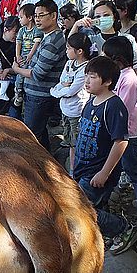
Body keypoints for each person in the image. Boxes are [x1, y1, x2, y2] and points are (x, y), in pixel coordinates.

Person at [74, 55, 137, 254]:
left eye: (92, 77)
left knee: (79, 208)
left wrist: (104, 172)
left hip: (98, 170)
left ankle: (123, 229)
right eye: (86, 76)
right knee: (94, 205)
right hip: (83, 168)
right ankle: (105, 236)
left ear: (108, 81)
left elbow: (121, 141)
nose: (87, 81)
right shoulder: (91, 103)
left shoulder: (113, 106)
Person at [102, 36, 137, 226]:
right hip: (115, 133)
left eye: (106, 55)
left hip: (126, 134)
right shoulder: (118, 76)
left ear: (116, 58)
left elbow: (120, 107)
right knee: (115, 169)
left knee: (134, 171)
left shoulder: (129, 79)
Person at [11, 0, 66, 151]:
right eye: (35, 16)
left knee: (31, 135)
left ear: (54, 16)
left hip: (39, 95)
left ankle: (37, 169)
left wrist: (17, 69)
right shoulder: (48, 37)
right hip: (37, 94)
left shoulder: (53, 41)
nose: (37, 19)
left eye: (41, 15)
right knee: (39, 133)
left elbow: (37, 74)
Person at [69, 1, 137, 109]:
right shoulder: (91, 40)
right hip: (97, 95)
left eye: (106, 15)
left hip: (124, 90)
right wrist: (76, 25)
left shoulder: (127, 39)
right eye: (97, 16)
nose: (102, 18)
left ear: (114, 16)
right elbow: (71, 48)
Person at [50, 33, 93, 176]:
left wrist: (56, 91)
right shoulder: (69, 63)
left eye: (69, 48)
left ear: (79, 51)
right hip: (65, 109)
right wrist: (62, 86)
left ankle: (76, 171)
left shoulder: (85, 69)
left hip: (76, 110)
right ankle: (72, 168)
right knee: (68, 140)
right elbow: (62, 80)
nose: (66, 51)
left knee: (77, 142)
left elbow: (71, 90)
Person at [14, 3, 44, 107]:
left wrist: (30, 55)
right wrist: (18, 56)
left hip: (32, 57)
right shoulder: (22, 30)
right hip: (23, 57)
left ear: (30, 17)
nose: (19, 19)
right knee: (19, 75)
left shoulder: (37, 30)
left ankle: (21, 93)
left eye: (21, 17)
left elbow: (37, 43)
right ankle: (18, 92)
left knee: (25, 74)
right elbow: (18, 42)